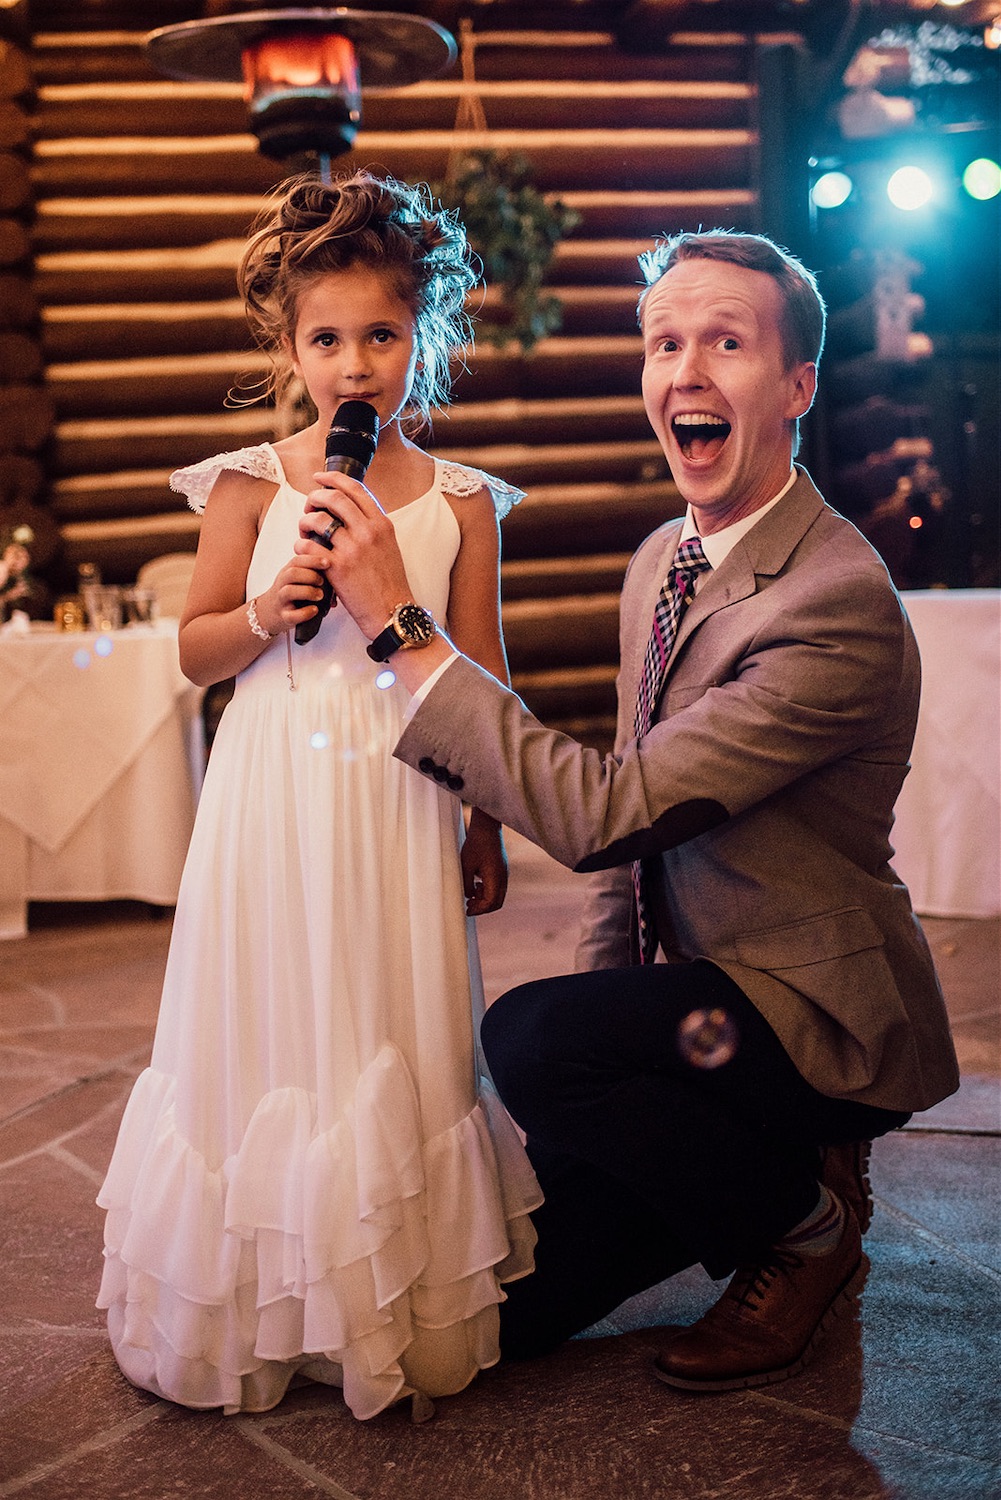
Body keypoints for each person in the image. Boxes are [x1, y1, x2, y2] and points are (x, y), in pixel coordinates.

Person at [302, 229, 960, 1393]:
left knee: (529, 1038)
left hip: (809, 1018)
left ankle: (806, 1224)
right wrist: (601, 1031)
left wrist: (405, 631)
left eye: (725, 342)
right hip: (688, 1018)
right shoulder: (663, 554)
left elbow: (609, 808)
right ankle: (745, 1174)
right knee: (507, 1317)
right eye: (664, 343)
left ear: (797, 386)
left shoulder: (835, 604)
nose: (685, 371)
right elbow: (634, 842)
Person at [96, 170, 541, 1421]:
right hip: (273, 792)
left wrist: (485, 815)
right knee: (271, 1012)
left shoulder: (460, 504)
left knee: (384, 1022)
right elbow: (190, 648)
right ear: (288, 347)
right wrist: (260, 612)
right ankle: (252, 1300)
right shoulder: (249, 484)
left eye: (382, 337)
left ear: (421, 341)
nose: (356, 365)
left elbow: (481, 667)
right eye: (328, 339)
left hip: (400, 791)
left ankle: (383, 1308)